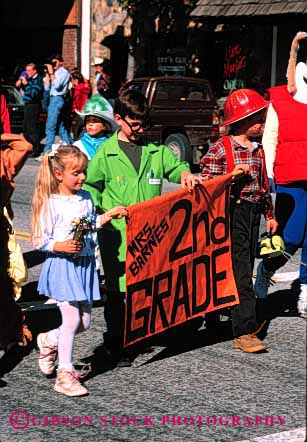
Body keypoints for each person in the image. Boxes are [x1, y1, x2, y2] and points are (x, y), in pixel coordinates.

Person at [83, 89, 202, 367]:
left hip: (150, 236)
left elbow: (175, 167)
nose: (140, 129)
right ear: (118, 119)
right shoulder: (106, 154)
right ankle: (115, 342)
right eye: (134, 124)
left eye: (143, 123)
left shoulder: (154, 151)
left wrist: (184, 173)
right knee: (118, 291)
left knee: (145, 289)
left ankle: (137, 336)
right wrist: (102, 212)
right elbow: (89, 187)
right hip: (117, 237)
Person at [32, 144, 126, 397]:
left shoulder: (85, 197)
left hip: (84, 265)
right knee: (72, 319)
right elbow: (38, 240)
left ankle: (48, 341)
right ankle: (64, 375)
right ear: (59, 174)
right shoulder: (51, 203)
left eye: (83, 171)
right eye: (76, 173)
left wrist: (106, 217)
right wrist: (60, 245)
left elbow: (87, 224)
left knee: (83, 322)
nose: (82, 177)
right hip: (63, 266)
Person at [200, 89, 278, 353]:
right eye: (259, 118)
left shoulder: (258, 151)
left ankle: (219, 313)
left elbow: (263, 186)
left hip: (253, 212)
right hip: (231, 213)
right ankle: (244, 330)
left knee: (243, 264)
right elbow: (206, 187)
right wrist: (230, 178)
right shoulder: (221, 149)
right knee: (240, 269)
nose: (263, 124)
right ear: (244, 120)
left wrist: (270, 215)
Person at [254, 32, 307, 318]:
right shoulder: (281, 98)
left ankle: (305, 295)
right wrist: (269, 172)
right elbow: (270, 137)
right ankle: (265, 271)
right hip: (289, 176)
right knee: (291, 236)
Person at [0, 132, 33, 352]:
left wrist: (1, 136)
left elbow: (26, 146)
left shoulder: (5, 158)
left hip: (1, 225)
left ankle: (12, 327)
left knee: (9, 278)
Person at [41, 55, 72, 157]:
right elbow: (47, 88)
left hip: (57, 99)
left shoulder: (64, 72)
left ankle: (47, 151)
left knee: (50, 126)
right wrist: (47, 77)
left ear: (61, 62)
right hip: (52, 98)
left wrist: (51, 73)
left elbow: (58, 86)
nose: (53, 65)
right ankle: (70, 148)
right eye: (52, 63)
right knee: (61, 127)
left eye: (55, 62)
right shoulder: (55, 73)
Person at [74, 95, 117, 159]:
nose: (90, 124)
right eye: (88, 121)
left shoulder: (111, 145)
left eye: (95, 121)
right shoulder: (78, 146)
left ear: (105, 126)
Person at [15, 63, 44, 157]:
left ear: (34, 70)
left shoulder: (38, 80)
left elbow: (33, 93)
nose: (27, 73)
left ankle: (35, 150)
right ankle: (28, 148)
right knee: (26, 128)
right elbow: (18, 86)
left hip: (34, 106)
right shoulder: (29, 79)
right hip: (27, 105)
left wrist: (26, 84)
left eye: (29, 70)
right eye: (26, 70)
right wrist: (20, 81)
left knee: (32, 128)